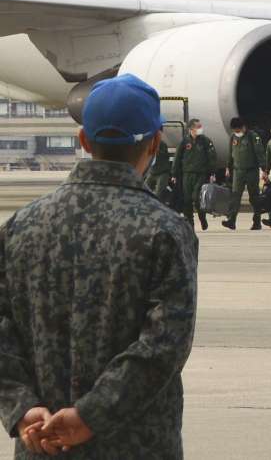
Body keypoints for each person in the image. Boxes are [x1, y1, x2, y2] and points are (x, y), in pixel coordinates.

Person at [0, 74, 198, 458]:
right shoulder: (165, 231)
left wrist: (22, 407)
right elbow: (163, 346)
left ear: (84, 141)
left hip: (42, 442)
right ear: (155, 143)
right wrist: (90, 415)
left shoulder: (21, 226)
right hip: (136, 445)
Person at [171, 117, 218, 230]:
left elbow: (212, 157)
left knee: (197, 198)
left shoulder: (205, 141)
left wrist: (212, 173)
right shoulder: (185, 141)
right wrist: (174, 174)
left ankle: (202, 218)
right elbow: (177, 158)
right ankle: (190, 224)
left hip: (201, 174)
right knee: (187, 200)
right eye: (198, 127)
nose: (200, 128)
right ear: (191, 129)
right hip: (187, 174)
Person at [225, 117, 267, 231]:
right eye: (235, 130)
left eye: (238, 130)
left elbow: (260, 153)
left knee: (254, 197)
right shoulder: (233, 137)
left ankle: (257, 221)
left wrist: (264, 169)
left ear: (244, 127)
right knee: (235, 196)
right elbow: (230, 154)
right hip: (238, 171)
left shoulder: (253, 136)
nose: (236, 132)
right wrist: (228, 167)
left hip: (251, 171)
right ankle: (231, 220)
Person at [149, 138, 174, 205]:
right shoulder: (148, 142)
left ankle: (158, 206)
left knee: (159, 192)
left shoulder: (162, 144)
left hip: (163, 171)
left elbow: (163, 154)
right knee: (145, 187)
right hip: (152, 172)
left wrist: (155, 150)